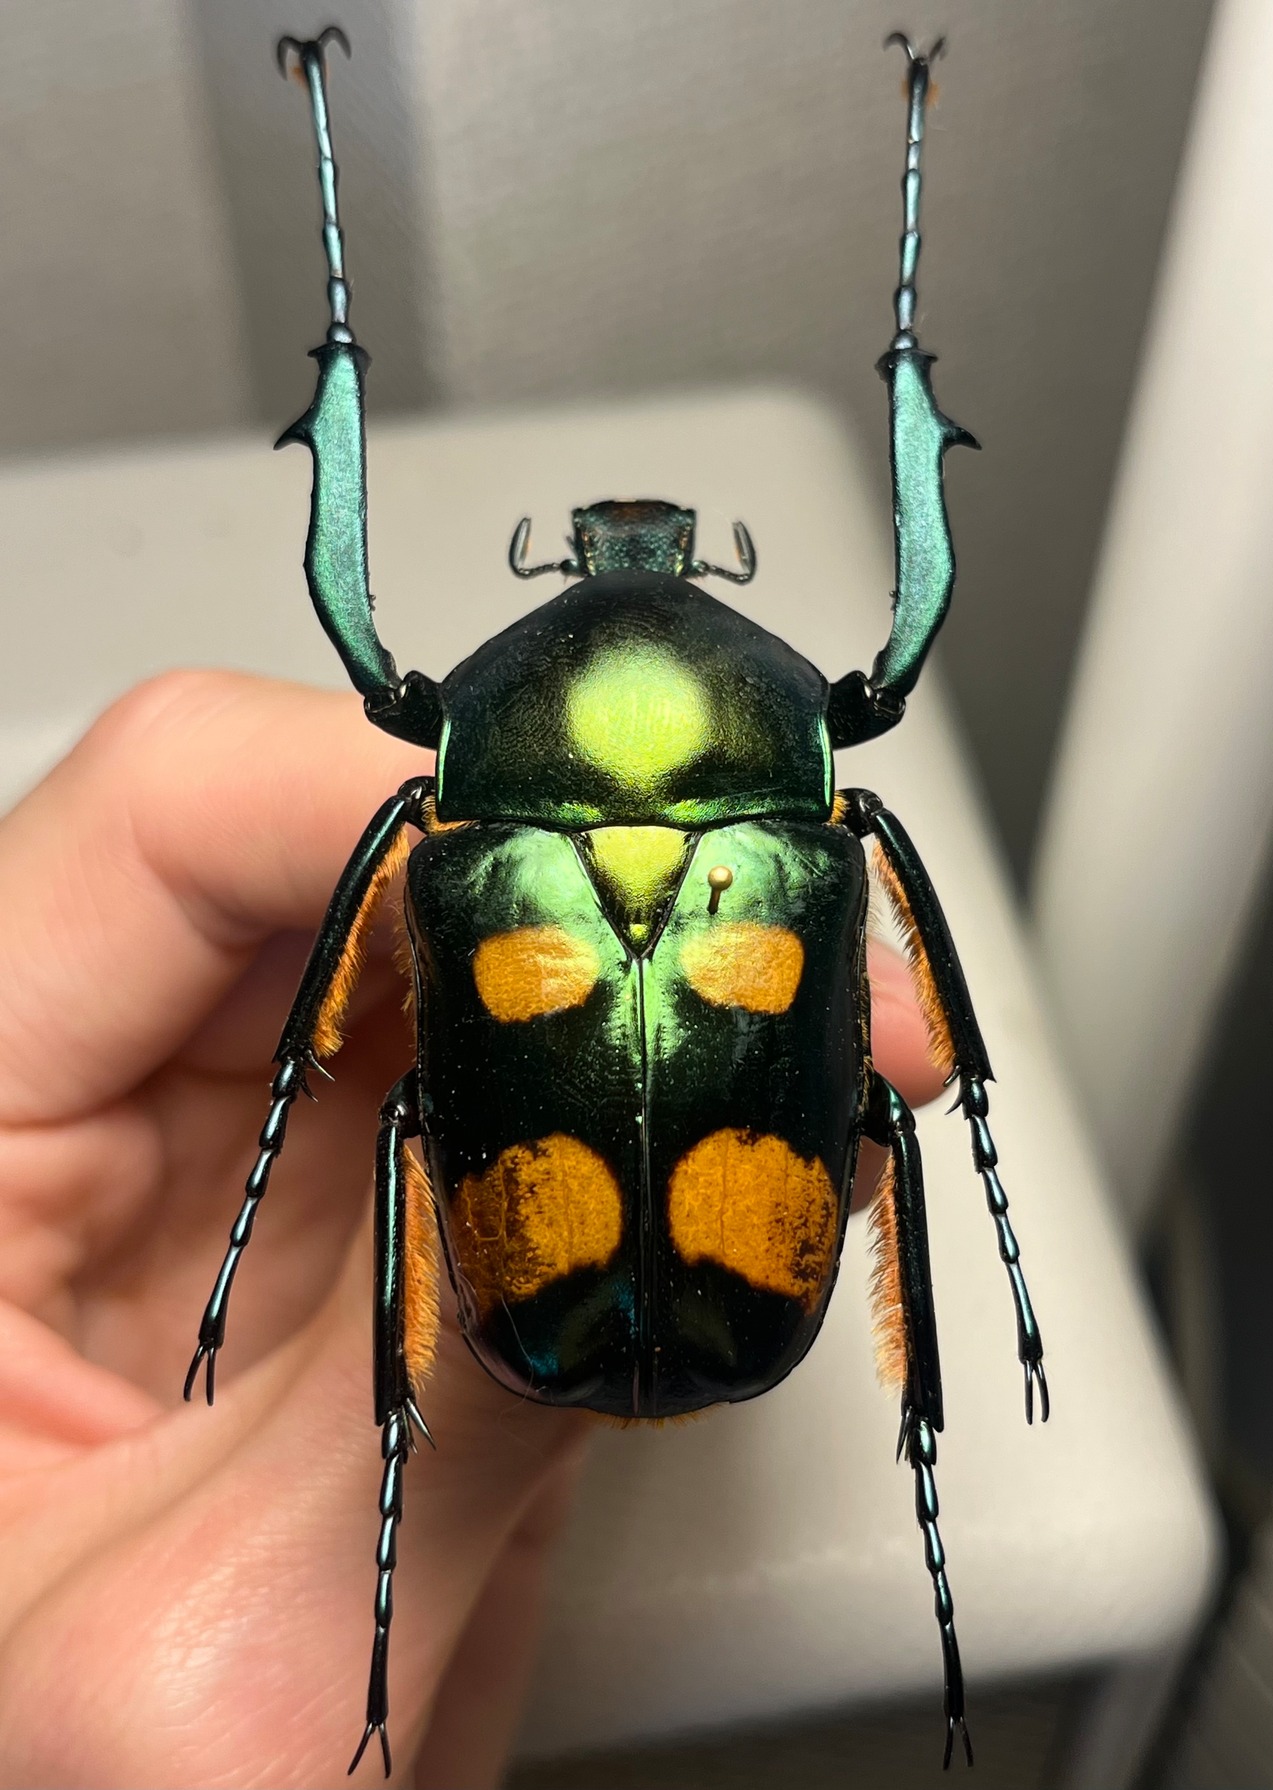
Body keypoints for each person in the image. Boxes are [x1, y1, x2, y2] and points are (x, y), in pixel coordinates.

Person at [0, 671, 943, 1788]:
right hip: (721, 1305)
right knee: (884, 1112)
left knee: (405, 1113)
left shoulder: (448, 836)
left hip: (573, 1311)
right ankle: (923, 1459)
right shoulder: (822, 840)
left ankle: (399, 1462)